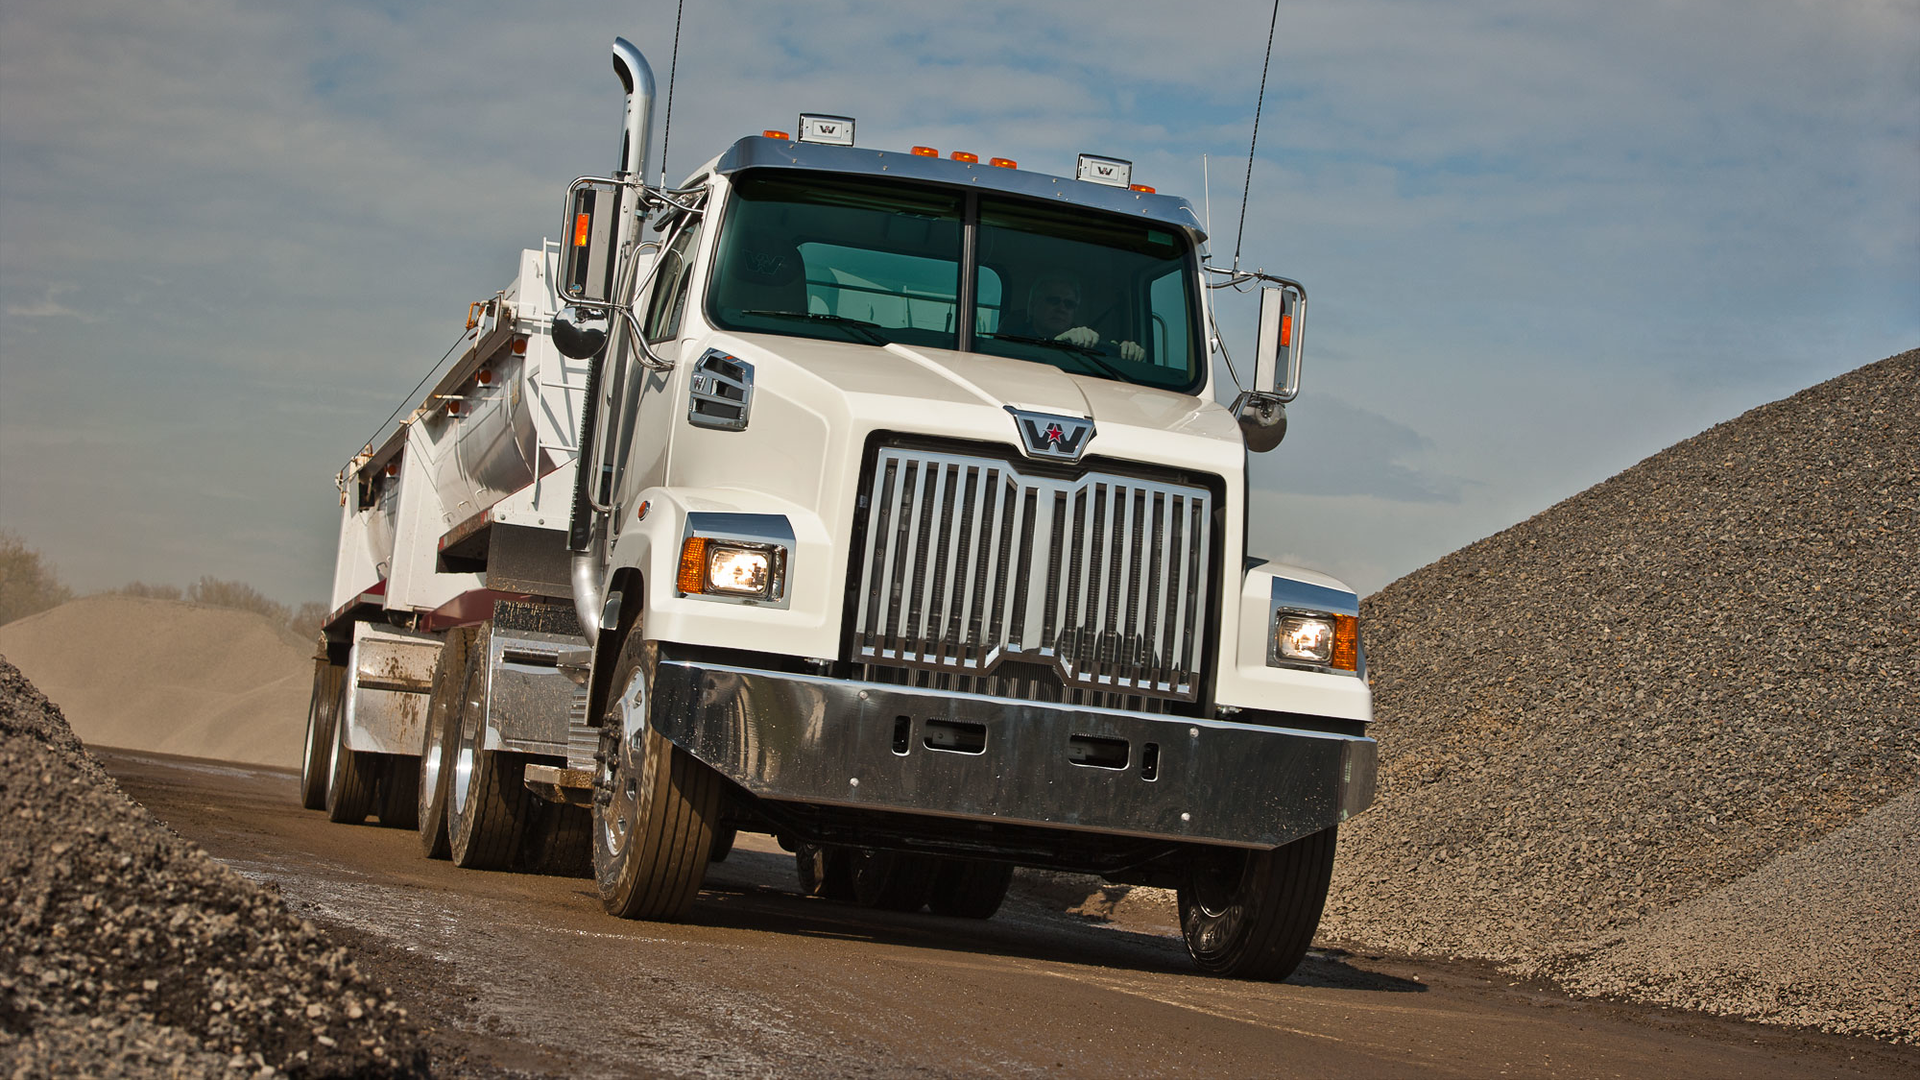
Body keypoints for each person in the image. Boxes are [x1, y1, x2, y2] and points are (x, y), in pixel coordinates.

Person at [1000, 271, 1144, 362]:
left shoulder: (1087, 342)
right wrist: (1057, 344)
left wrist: (1126, 353)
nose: (1062, 308)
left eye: (1069, 304)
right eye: (1053, 300)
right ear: (1032, 306)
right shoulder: (1011, 339)